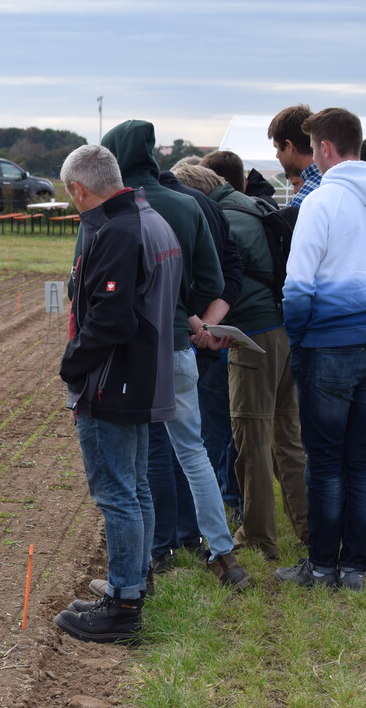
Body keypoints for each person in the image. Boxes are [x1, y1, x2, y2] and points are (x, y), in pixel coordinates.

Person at [274, 108, 366, 591]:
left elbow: (297, 287)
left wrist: (300, 338)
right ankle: (354, 568)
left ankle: (320, 566)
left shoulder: (320, 202)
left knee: (326, 460)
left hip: (327, 347)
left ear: (323, 148)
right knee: (361, 460)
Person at [100, 119, 250, 591]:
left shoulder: (114, 210)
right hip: (180, 347)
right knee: (193, 451)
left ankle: (139, 564)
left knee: (136, 463)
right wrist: (187, 315)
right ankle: (222, 554)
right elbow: (212, 281)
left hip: (130, 355)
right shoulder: (187, 205)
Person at [53, 144, 182, 642]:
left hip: (114, 380)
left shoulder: (118, 231)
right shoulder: (149, 220)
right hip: (144, 373)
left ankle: (123, 606)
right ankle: (133, 580)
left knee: (117, 493)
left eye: (71, 196)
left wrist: (72, 365)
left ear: (79, 189)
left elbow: (111, 317)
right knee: (136, 486)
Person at [183, 157, 310, 560]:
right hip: (284, 331)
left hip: (251, 337)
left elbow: (216, 280)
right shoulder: (253, 205)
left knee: (250, 437)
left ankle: (257, 534)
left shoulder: (220, 219)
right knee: (287, 437)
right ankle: (309, 527)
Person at [160, 160, 245, 523]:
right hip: (210, 334)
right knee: (205, 438)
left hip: (182, 338)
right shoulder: (213, 207)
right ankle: (217, 531)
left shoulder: (172, 208)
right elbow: (232, 269)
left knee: (179, 443)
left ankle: (184, 528)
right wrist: (210, 325)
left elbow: (172, 287)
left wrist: (196, 325)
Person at [268, 104, 321, 207]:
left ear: (288, 146)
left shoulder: (302, 201)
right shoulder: (332, 179)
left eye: (277, 148)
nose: (277, 155)